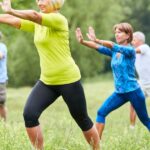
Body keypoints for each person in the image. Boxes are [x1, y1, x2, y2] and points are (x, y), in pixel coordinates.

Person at [0, 0, 100, 150]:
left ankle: (97, 148)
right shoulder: (37, 24)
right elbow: (15, 21)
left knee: (82, 119)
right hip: (47, 81)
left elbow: (33, 15)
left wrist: (11, 10)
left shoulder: (59, 19)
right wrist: (8, 14)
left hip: (68, 79)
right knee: (29, 114)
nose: (39, 2)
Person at [75, 23, 150, 140]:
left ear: (128, 35)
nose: (116, 34)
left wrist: (97, 39)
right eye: (115, 32)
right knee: (101, 112)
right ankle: (96, 146)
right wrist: (83, 42)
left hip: (133, 91)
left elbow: (112, 45)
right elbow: (97, 47)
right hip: (119, 93)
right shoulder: (114, 52)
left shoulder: (130, 50)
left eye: (119, 32)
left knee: (145, 120)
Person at [129, 31, 150, 129]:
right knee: (133, 101)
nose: (132, 41)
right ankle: (132, 127)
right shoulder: (134, 51)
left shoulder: (145, 47)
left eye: (134, 39)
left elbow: (134, 51)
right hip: (142, 83)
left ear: (140, 40)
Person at [0, 31, 8, 121]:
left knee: (1, 103)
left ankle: (4, 123)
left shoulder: (2, 46)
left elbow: (0, 55)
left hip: (1, 80)